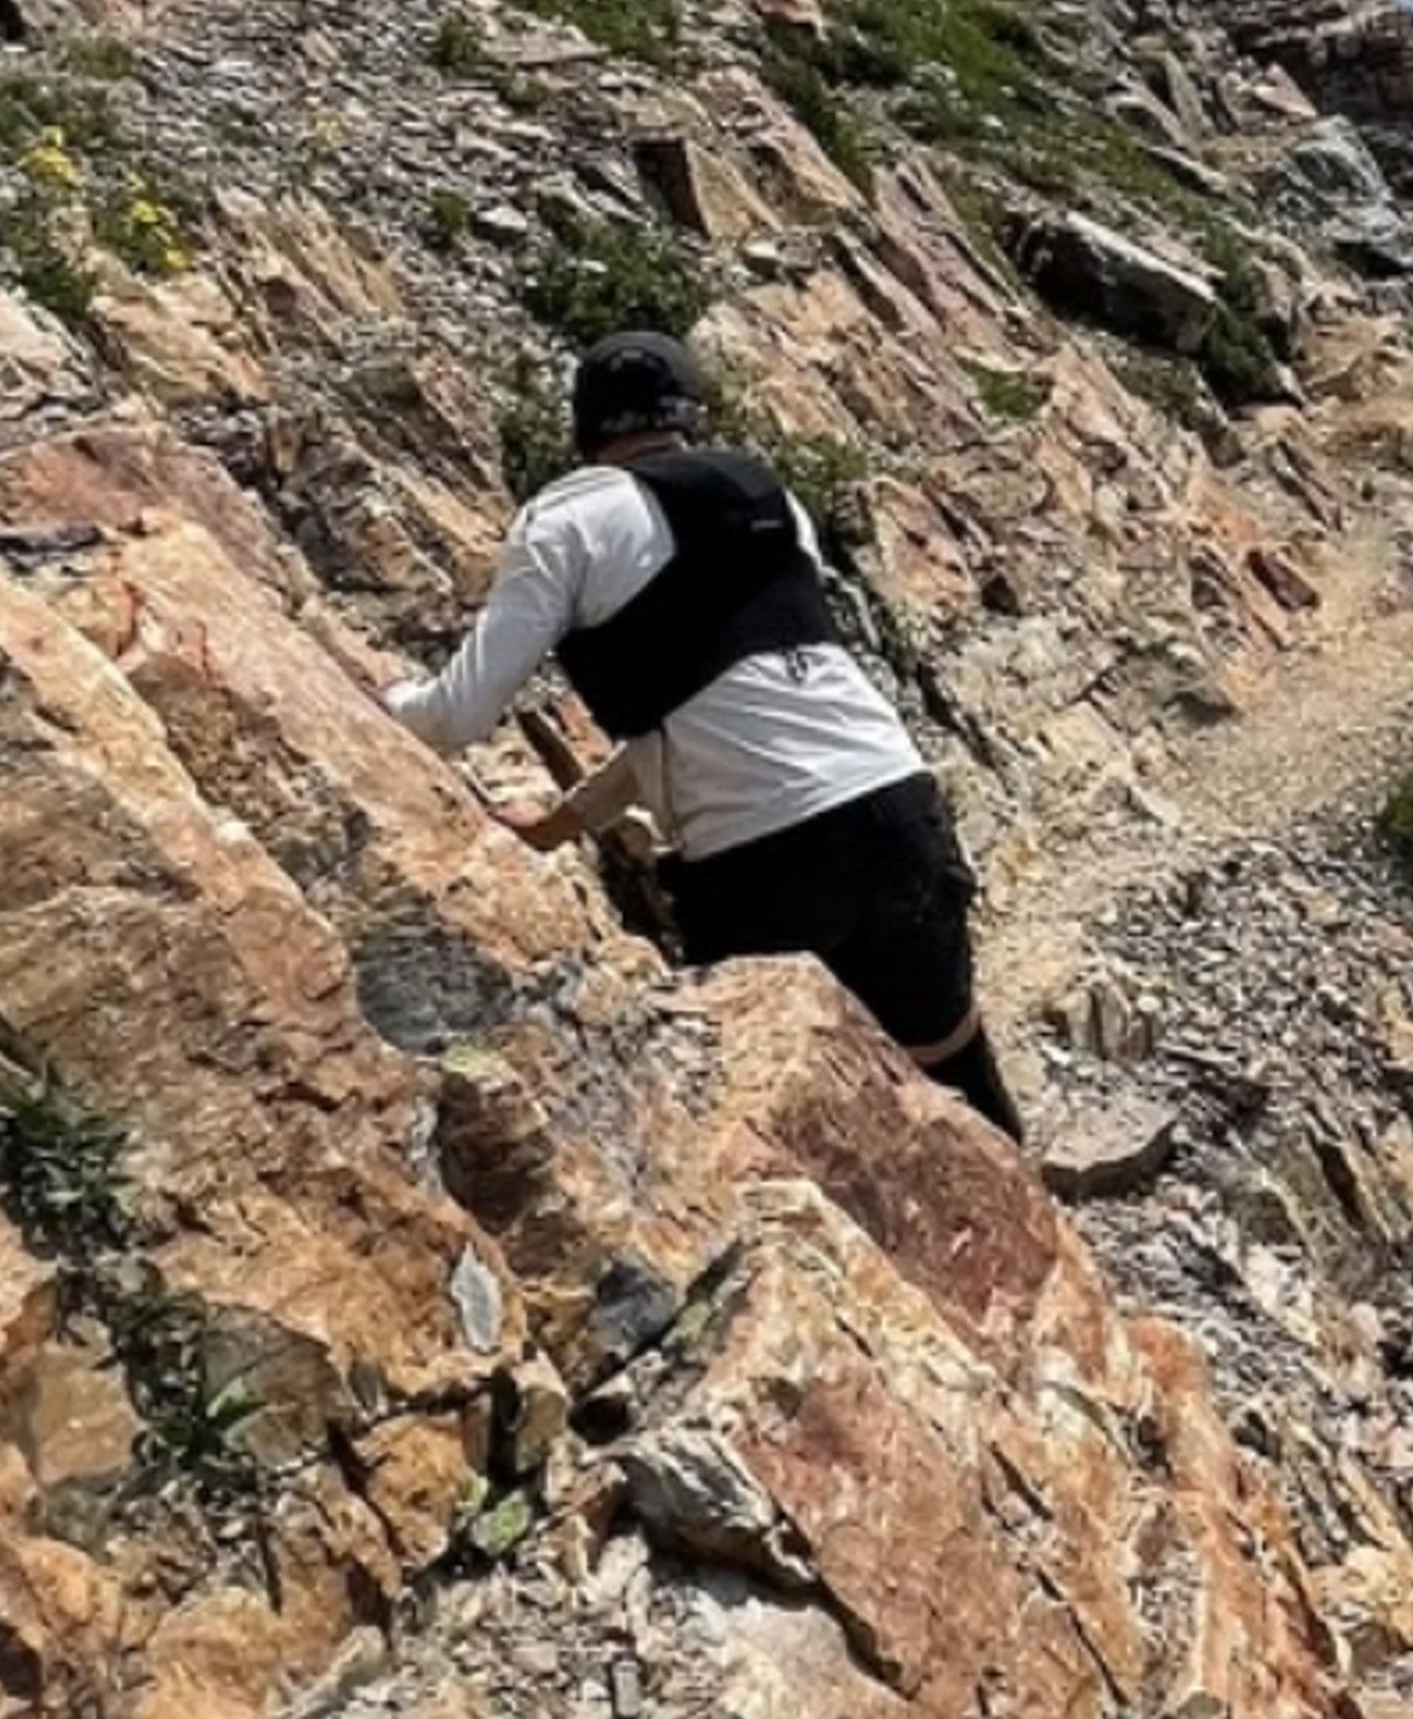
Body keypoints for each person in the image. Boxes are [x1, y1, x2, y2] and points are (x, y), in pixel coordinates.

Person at [380, 328, 1021, 1137]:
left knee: (788, 1123)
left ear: (586, 431)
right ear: (689, 418)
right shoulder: (769, 499)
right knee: (951, 1070)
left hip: (763, 860)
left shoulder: (565, 522)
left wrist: (379, 700)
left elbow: (453, 718)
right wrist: (565, 823)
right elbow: (722, 702)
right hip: (893, 803)